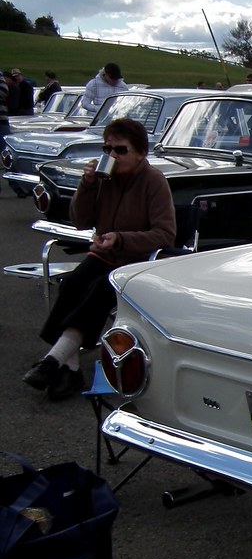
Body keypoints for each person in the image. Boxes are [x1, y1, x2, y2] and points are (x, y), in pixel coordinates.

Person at [22, 118, 176, 400]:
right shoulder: (106, 180)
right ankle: (66, 370)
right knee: (71, 285)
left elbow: (165, 234)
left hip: (136, 262)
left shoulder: (153, 181)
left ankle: (52, 361)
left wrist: (121, 238)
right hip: (105, 254)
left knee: (97, 292)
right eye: (108, 150)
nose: (113, 156)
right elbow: (80, 220)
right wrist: (88, 184)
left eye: (121, 150)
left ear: (141, 152)